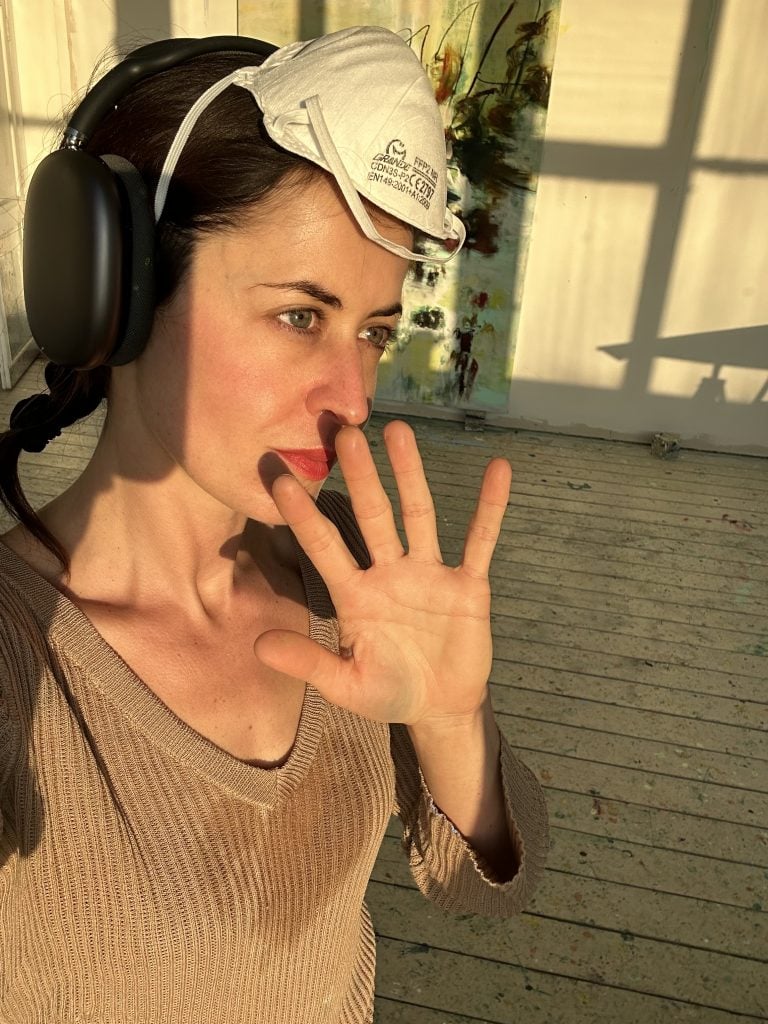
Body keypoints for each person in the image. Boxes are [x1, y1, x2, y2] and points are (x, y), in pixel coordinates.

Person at [0, 26, 548, 1024]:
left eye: (373, 333)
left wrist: (449, 723)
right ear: (115, 296)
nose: (352, 398)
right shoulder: (16, 656)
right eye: (301, 316)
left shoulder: (354, 572)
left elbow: (477, 884)